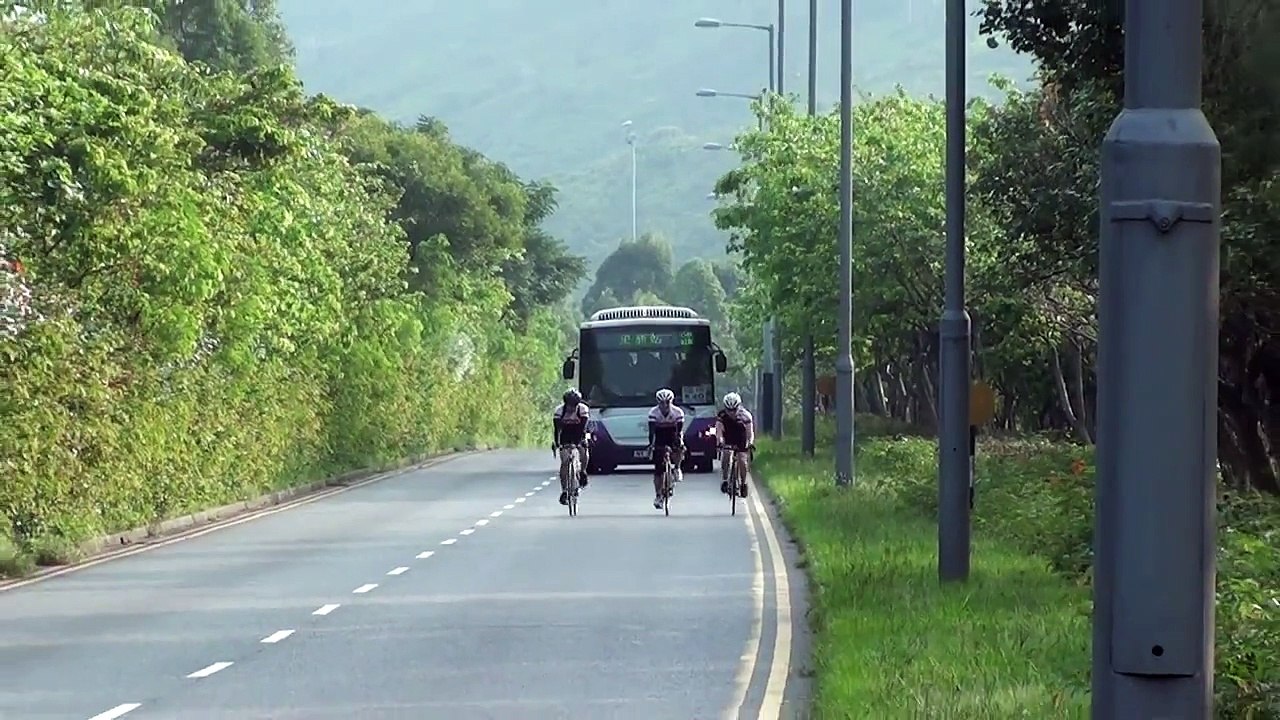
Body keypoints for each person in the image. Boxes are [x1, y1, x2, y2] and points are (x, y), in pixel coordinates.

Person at [646, 388, 685, 509]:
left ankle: (677, 468)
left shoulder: (678, 412)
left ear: (671, 402)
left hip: (673, 433)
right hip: (660, 435)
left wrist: (679, 444)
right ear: (658, 403)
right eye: (661, 403)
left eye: (667, 402)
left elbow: (679, 432)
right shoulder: (653, 413)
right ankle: (658, 495)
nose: (664, 405)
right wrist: (651, 445)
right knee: (658, 469)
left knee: (679, 447)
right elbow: (652, 433)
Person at [552, 387, 591, 506]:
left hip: (579, 433)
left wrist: (581, 442)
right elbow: (557, 430)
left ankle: (583, 471)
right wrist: (557, 444)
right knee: (564, 462)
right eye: (569, 405)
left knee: (584, 453)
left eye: (574, 405)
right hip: (565, 435)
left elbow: (583, 428)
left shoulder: (583, 410)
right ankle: (564, 491)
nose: (571, 408)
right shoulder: (559, 411)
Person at [715, 391, 754, 498]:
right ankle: (725, 480)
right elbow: (718, 431)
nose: (731, 412)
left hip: (741, 438)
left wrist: (750, 443)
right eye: (729, 410)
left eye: (734, 410)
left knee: (742, 460)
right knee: (726, 455)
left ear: (739, 407)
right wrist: (720, 442)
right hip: (728, 437)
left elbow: (750, 433)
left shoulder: (746, 416)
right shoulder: (721, 415)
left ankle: (743, 484)